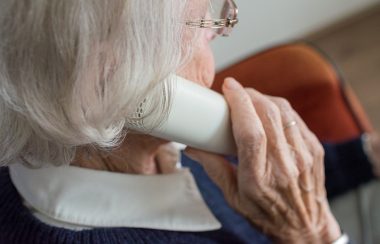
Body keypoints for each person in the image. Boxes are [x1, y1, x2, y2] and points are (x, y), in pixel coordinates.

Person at [0, 0, 379, 243]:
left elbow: (263, 175)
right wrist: (312, 233)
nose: (219, 31)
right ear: (112, 83)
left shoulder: (151, 141)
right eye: (204, 22)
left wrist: (364, 154)